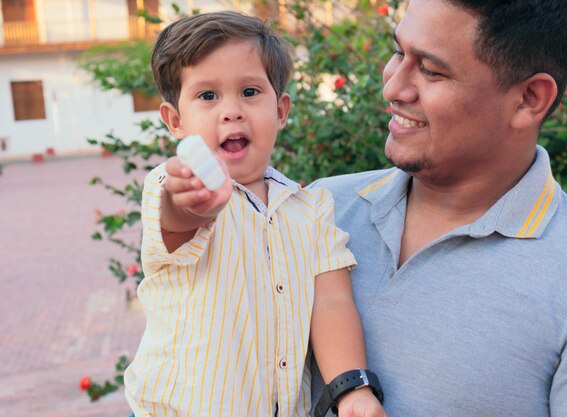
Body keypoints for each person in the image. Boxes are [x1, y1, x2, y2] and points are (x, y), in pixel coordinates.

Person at [311, 0, 567, 416]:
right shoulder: (319, 210)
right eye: (398, 52)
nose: (392, 87)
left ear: (529, 98)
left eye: (430, 70)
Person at [124, 11, 386, 417]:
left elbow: (332, 303)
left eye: (249, 91)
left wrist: (351, 388)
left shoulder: (310, 208)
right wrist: (192, 204)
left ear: (280, 111)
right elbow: (176, 223)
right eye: (207, 96)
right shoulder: (173, 185)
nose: (231, 110)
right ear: (175, 120)